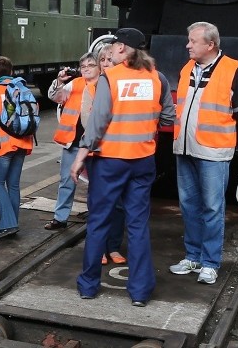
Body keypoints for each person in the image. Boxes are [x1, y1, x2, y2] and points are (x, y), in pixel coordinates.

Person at [70, 28, 175, 307]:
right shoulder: (158, 78)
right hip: (142, 161)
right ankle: (140, 292)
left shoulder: (111, 78)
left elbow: (98, 120)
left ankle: (89, 286)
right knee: (138, 225)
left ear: (120, 48)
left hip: (110, 162)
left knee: (99, 222)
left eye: (115, 44)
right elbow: (168, 118)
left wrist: (81, 154)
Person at [170, 21, 238, 286]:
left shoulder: (232, 70)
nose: (187, 45)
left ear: (210, 44)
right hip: (184, 148)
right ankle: (193, 256)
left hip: (213, 151)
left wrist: (227, 139)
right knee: (189, 206)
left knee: (212, 208)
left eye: (193, 41)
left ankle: (209, 263)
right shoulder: (188, 69)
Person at [44, 52, 100, 232]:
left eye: (90, 65)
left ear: (98, 67)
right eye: (83, 67)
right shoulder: (75, 84)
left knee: (97, 183)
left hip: (97, 145)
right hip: (73, 142)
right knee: (66, 180)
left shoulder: (105, 85)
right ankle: (60, 218)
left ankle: (96, 217)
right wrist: (60, 81)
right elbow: (55, 96)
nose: (86, 69)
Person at [0, 56, 34, 239]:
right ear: (11, 72)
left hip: (3, 145)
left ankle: (9, 223)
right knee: (13, 185)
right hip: (22, 142)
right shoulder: (22, 88)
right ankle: (11, 222)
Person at [97, 43, 127, 267]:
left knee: (118, 205)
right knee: (100, 203)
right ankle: (99, 248)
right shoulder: (94, 85)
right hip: (99, 152)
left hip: (120, 151)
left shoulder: (122, 84)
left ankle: (113, 246)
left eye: (110, 60)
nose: (106, 64)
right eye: (103, 60)